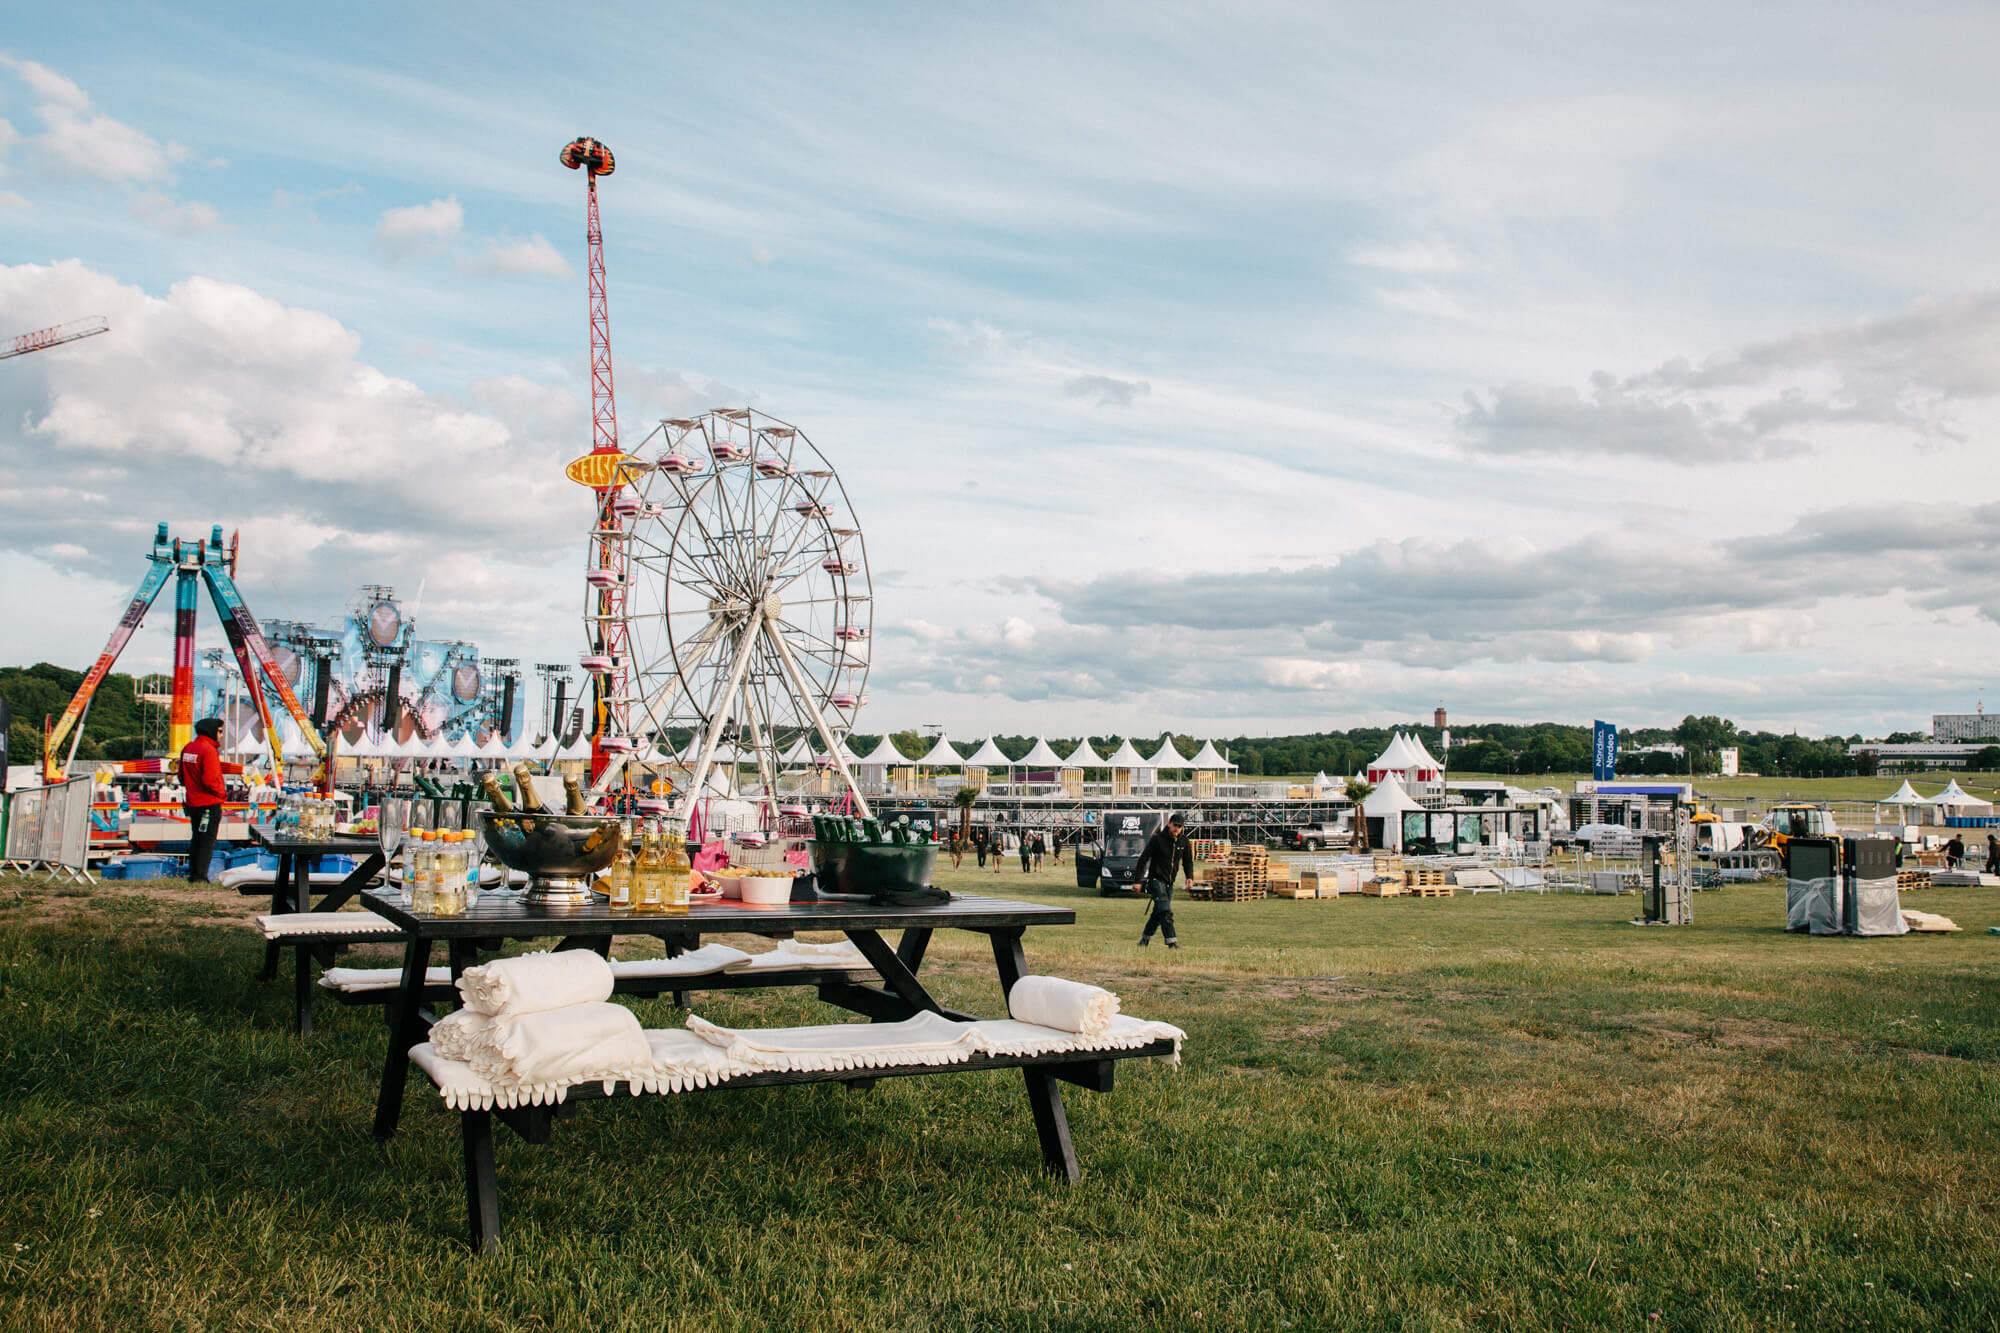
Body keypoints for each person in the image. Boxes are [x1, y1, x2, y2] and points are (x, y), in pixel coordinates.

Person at [179, 717, 228, 884]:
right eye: (220, 731)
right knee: (207, 841)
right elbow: (211, 779)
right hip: (209, 803)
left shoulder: (189, 748)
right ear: (211, 730)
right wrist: (222, 793)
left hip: (193, 802)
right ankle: (200, 877)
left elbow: (181, 776)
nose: (221, 735)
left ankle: (193, 874)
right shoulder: (208, 750)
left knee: (197, 838)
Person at [1135, 813, 1194, 949]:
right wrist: (1138, 880)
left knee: (1158, 912)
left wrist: (1189, 877)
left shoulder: (1184, 841)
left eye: (1180, 827)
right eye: (1175, 825)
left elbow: (1188, 862)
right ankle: (1171, 942)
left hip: (1169, 882)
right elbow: (1143, 859)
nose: (1177, 829)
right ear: (1169, 823)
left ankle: (1144, 940)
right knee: (1166, 911)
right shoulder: (1157, 839)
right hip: (1156, 880)